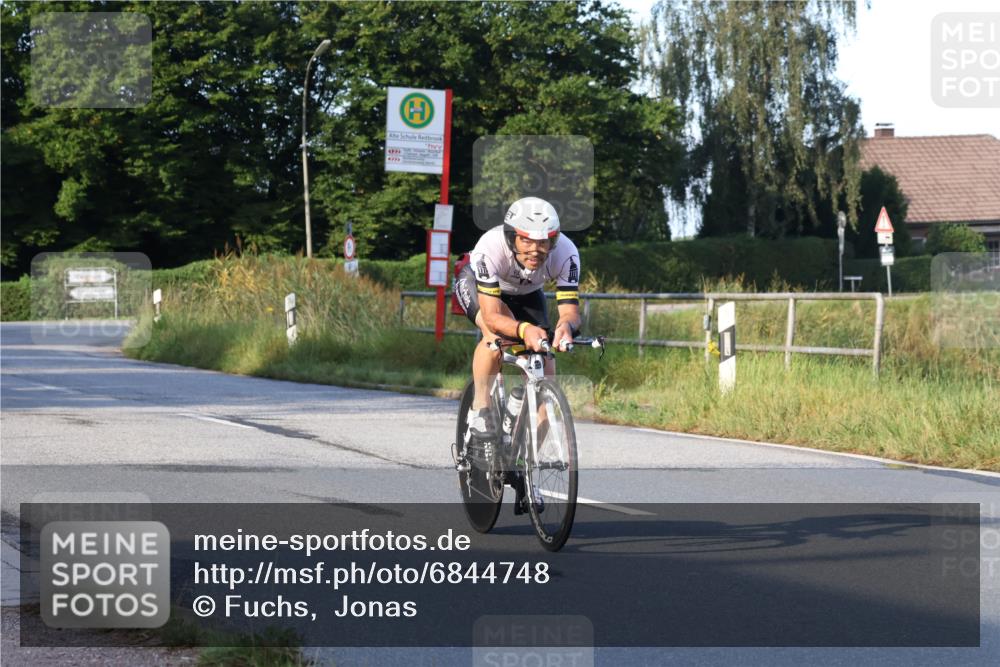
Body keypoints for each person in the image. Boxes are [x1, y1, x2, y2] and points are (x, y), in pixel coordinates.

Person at [453, 196, 582, 442]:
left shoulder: (566, 253)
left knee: (544, 368)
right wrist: (524, 330)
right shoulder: (490, 246)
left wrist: (566, 327)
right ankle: (480, 407)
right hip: (481, 288)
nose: (536, 250)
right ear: (512, 237)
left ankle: (523, 464)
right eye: (526, 240)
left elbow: (569, 311)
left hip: (527, 293)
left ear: (553, 240)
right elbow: (491, 315)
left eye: (544, 242)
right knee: (497, 338)